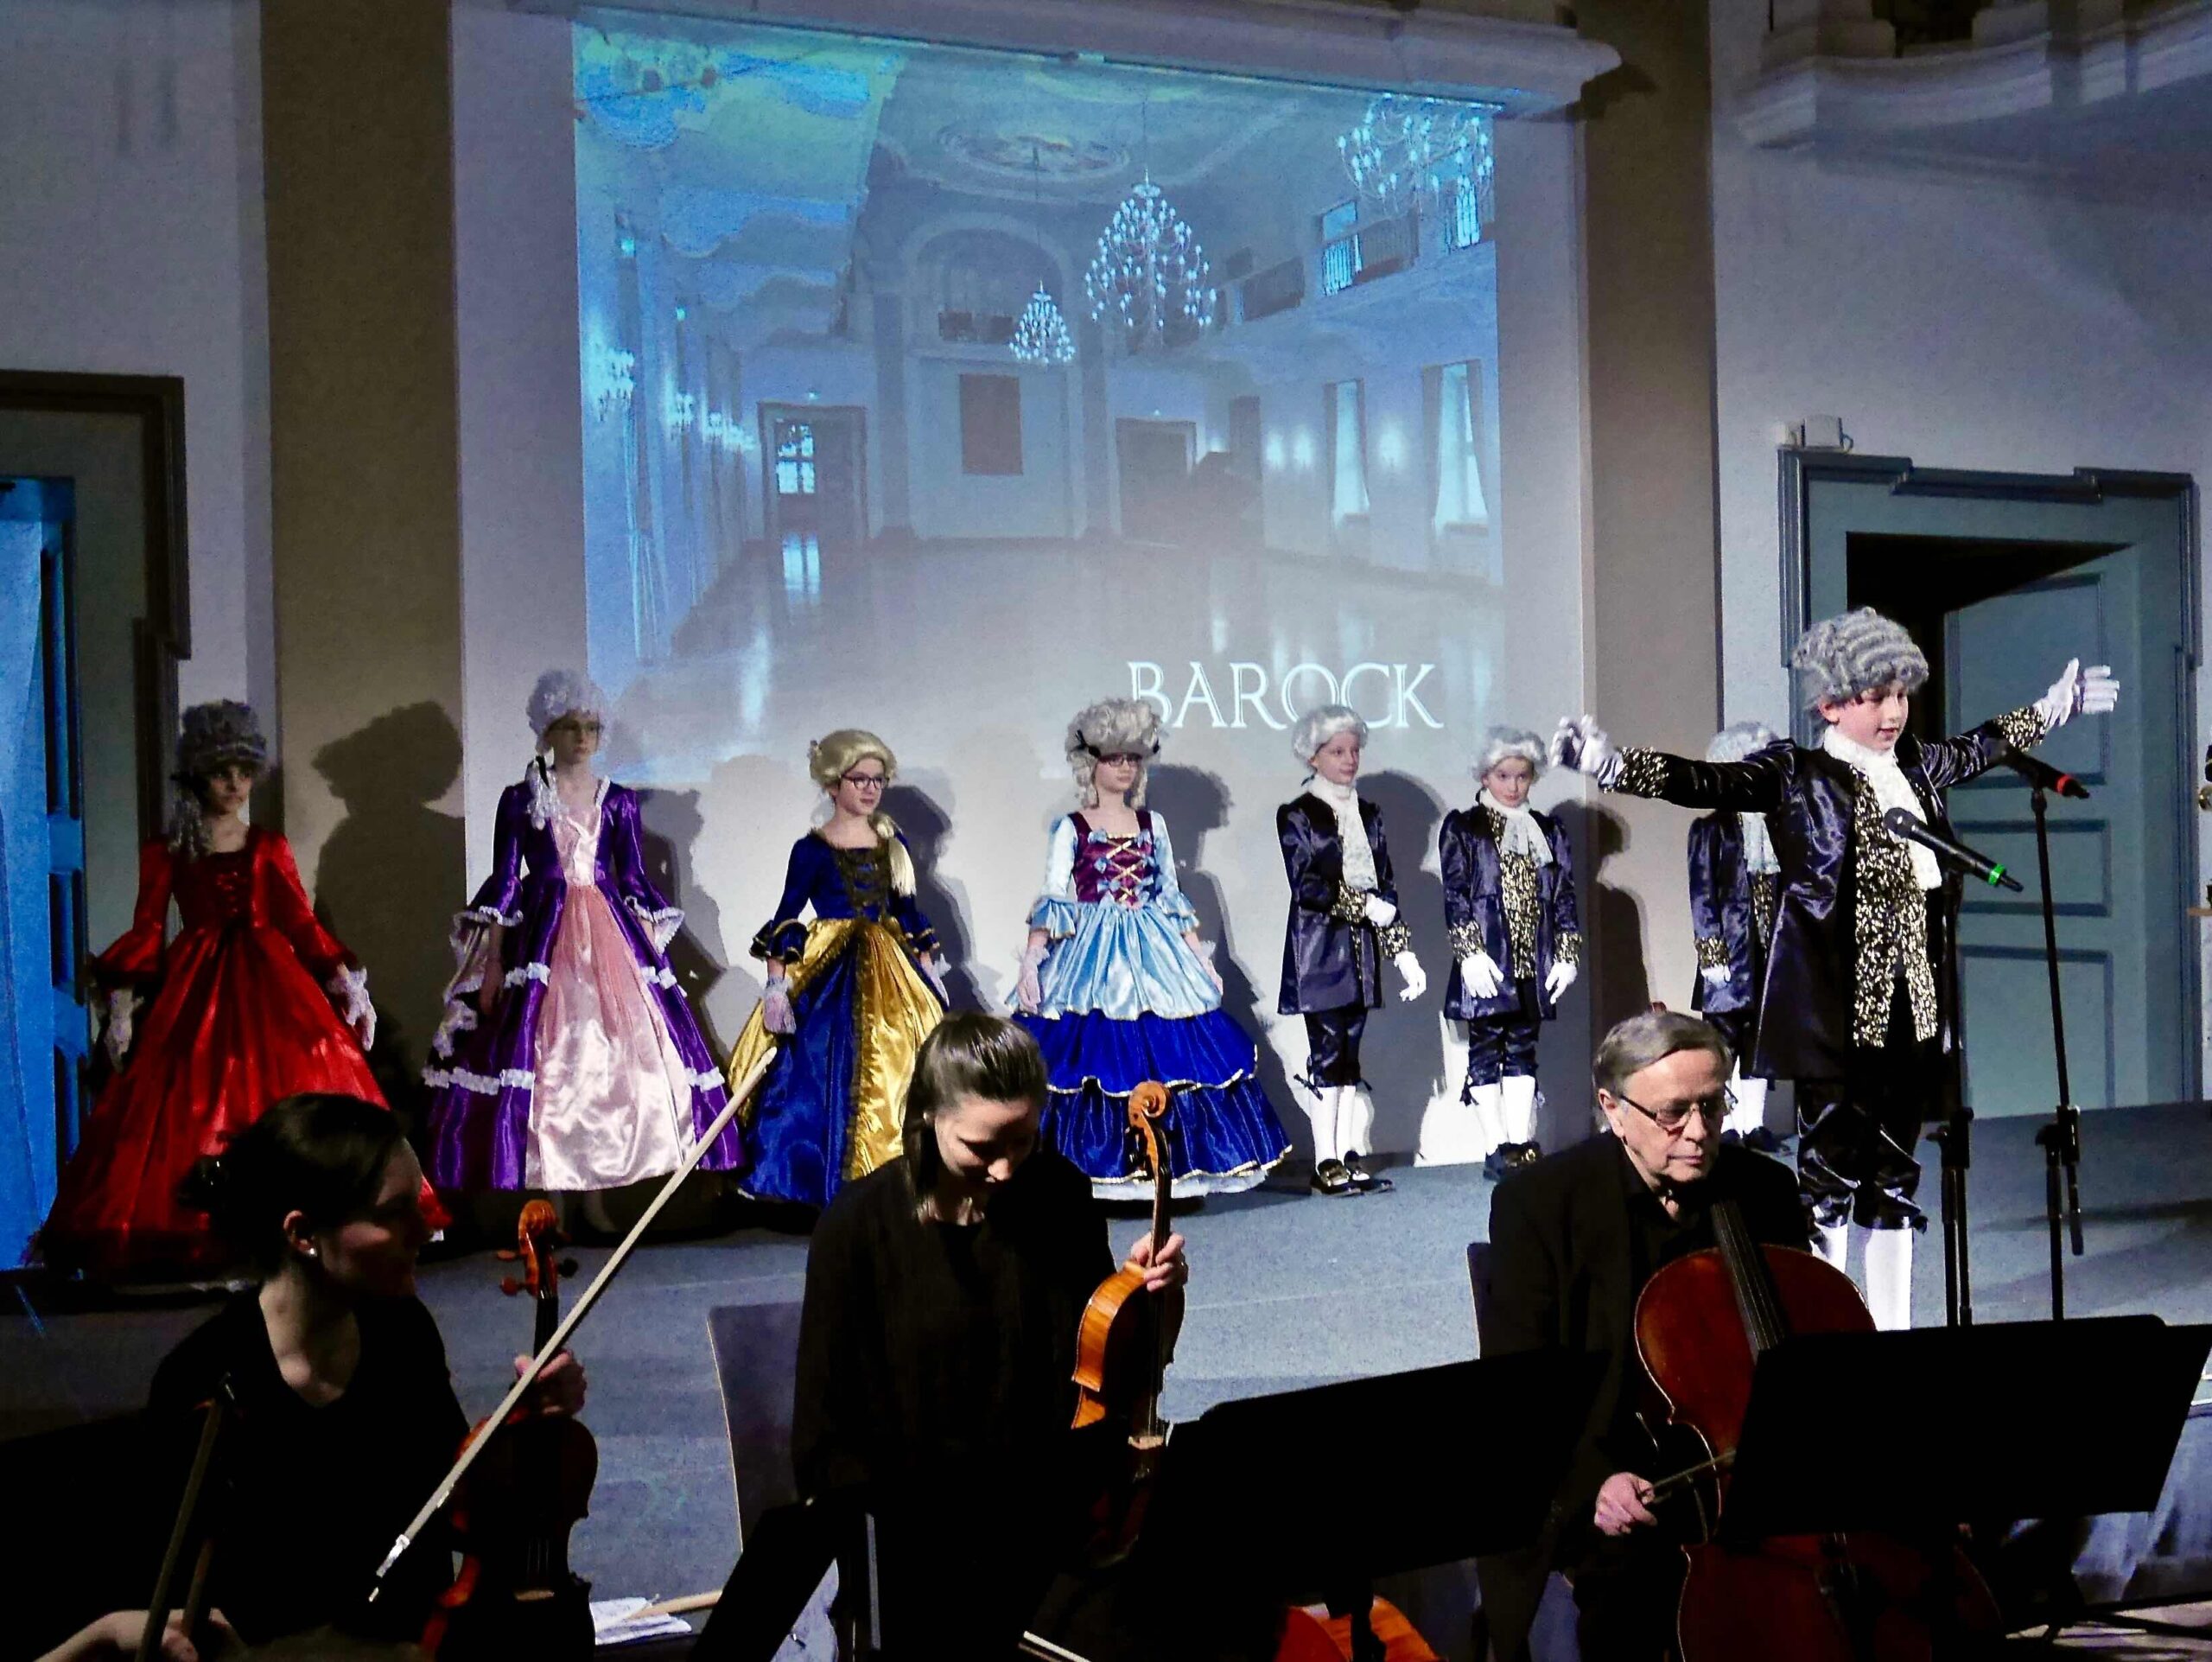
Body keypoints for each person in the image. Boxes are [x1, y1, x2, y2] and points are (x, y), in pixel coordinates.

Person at [1552, 610, 2116, 1328]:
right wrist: (1612, 764)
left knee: (1895, 1176)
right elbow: (1704, 780)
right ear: (1830, 704)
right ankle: (1828, 1330)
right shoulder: (1796, 772)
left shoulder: (1915, 766)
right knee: (1828, 1177)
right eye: (1875, 697)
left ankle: (1891, 1332)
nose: (1893, 712)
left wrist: (2053, 708)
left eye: (1900, 695)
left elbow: (1981, 745)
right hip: (1836, 1013)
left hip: (1915, 1009)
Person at [792, 1012, 1187, 1656]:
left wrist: (1149, 1299)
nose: (1005, 1170)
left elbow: (1109, 1381)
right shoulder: (856, 1228)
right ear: (928, 1115)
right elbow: (823, 1443)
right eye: (980, 1147)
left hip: (1050, 1531)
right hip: (919, 1548)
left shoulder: (1059, 1195)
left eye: (1022, 1141)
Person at [146, 1093, 585, 1649]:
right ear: (303, 1235)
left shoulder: (403, 1330)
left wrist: (524, 1424)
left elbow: (455, 1505)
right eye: (393, 1213)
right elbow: (168, 1598)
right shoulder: (205, 1379)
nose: (423, 1231)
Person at [1478, 1009, 1810, 1662]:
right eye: (1673, 1113)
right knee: (1630, 1583)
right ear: (1614, 1109)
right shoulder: (1540, 1205)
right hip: (1605, 1472)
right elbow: (1521, 1393)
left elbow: (1806, 1358)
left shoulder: (1765, 1190)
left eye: (1712, 1105)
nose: (1700, 1131)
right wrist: (1596, 1483)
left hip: (1743, 1465)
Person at [38, 703, 380, 1278]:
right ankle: (205, 1236)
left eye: (244, 772)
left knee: (284, 1093)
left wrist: (346, 984)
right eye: (222, 772)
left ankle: (292, 1230)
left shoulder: (268, 847)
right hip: (197, 986)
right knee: (191, 1100)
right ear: (198, 772)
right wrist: (122, 1009)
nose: (235, 785)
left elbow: (300, 922)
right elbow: (147, 929)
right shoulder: (170, 848)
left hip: (272, 984)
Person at [423, 671, 733, 1209]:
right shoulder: (520, 798)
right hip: (543, 936)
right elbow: (507, 879)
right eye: (571, 727)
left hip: (608, 933)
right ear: (548, 732)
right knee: (547, 1057)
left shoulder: (619, 801)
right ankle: (550, 1195)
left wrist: (651, 950)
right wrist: (494, 961)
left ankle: (604, 1194)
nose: (583, 738)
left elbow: (632, 876)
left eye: (591, 728)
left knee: (617, 1057)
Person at [1014, 697, 1288, 1196]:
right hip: (1092, 953)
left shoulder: (1152, 824)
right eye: (1114, 757)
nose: (1125, 768)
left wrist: (1200, 959)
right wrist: (1033, 960)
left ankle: (1170, 1168)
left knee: (1174, 1044)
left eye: (1133, 758)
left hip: (1154, 948)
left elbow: (1169, 895)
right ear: (1091, 762)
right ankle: (1098, 1171)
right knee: (1092, 1050)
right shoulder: (1071, 827)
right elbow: (1053, 896)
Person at [726, 729, 949, 1208]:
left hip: (890, 965)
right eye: (859, 780)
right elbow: (787, 914)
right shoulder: (812, 849)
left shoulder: (892, 841)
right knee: (817, 1069)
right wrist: (776, 987)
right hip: (830, 965)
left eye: (878, 780)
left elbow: (907, 909)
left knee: (899, 1063)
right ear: (833, 785)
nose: (870, 789)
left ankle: (894, 1176)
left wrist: (928, 970)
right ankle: (820, 1182)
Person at [1275, 705, 1427, 1197]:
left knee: (1348, 1058)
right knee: (1327, 1053)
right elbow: (1307, 885)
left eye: (1354, 750)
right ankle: (1325, 1160)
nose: (1349, 759)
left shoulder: (1370, 814)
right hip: (1319, 950)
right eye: (1337, 751)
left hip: (1360, 952)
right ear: (1314, 756)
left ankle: (1344, 1155)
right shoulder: (1298, 814)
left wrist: (1402, 953)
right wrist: (1364, 906)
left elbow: (1385, 886)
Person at [1432, 727, 1582, 1175]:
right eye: (1503, 776)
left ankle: (1521, 1142)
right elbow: (1456, 893)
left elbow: (1564, 894)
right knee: (1486, 1046)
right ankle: (1495, 1145)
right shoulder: (1465, 827)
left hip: (1533, 959)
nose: (1514, 786)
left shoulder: (1548, 830)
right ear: (1485, 776)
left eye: (1522, 776)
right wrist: (1469, 952)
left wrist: (1567, 954)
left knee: (1523, 1046)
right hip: (1488, 958)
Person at [1689, 721, 1789, 1154]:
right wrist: (1711, 953)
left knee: (1761, 1040)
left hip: (1770, 954)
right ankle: (1725, 1123)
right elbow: (1702, 896)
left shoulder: (1779, 827)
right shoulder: (1711, 829)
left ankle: (1754, 1124)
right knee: (1723, 1041)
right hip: (1730, 957)